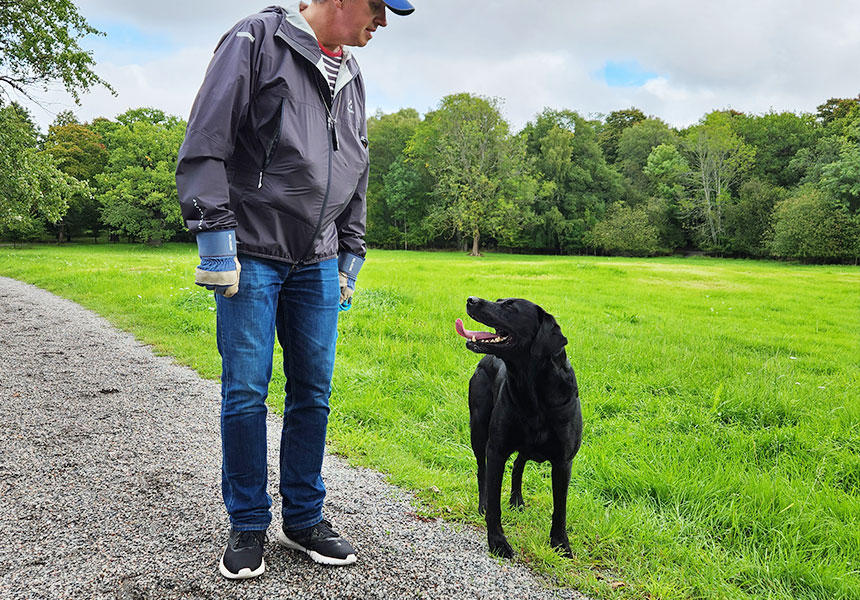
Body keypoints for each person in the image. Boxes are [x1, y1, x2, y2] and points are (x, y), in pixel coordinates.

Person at [175, 0, 414, 580]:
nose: (382, 22)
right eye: (380, 7)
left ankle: (303, 518)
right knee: (246, 391)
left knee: (313, 391)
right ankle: (249, 523)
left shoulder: (352, 74)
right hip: (253, 251)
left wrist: (350, 254)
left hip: (319, 259)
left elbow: (354, 167)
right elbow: (207, 138)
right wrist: (215, 240)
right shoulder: (258, 39)